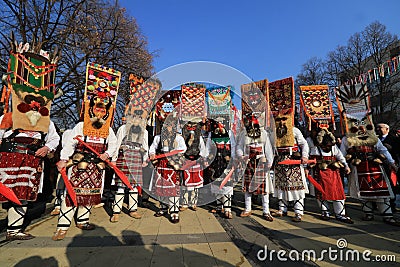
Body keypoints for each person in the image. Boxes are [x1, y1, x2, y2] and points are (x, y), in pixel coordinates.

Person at [0, 38, 61, 241]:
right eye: (30, 98)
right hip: (10, 158)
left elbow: (54, 138)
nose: (35, 103)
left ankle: (14, 229)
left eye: (38, 100)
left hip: (32, 159)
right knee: (8, 193)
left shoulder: (46, 121)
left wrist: (47, 148)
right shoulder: (9, 117)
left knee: (23, 194)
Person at [52, 63, 120, 240]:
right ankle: (63, 225)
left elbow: (113, 144)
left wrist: (107, 154)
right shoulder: (81, 126)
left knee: (90, 196)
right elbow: (70, 145)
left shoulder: (109, 129)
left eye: (102, 109)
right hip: (78, 165)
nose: (99, 111)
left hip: (96, 167)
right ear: (91, 109)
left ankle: (83, 221)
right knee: (71, 193)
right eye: (97, 108)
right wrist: (63, 159)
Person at [308, 128, 353, 223]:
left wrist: (346, 166)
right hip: (320, 174)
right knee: (321, 192)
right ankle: (325, 211)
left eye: (329, 145)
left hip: (334, 173)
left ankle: (340, 213)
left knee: (338, 193)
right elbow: (310, 160)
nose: (327, 147)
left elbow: (340, 157)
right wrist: (308, 167)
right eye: (325, 146)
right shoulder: (316, 149)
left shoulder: (334, 148)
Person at [110, 113, 148, 222]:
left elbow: (145, 146)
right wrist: (114, 159)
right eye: (135, 117)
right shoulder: (123, 128)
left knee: (134, 186)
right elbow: (117, 144)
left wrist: (145, 159)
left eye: (139, 117)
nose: (137, 119)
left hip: (136, 158)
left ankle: (133, 210)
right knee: (121, 186)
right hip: (124, 158)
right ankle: (116, 211)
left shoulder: (144, 131)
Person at [149, 114, 187, 223]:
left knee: (173, 189)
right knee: (161, 188)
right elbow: (152, 148)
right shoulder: (158, 137)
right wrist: (152, 154)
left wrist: (172, 154)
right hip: (161, 165)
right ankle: (163, 208)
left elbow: (183, 148)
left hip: (172, 165)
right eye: (166, 125)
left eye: (170, 125)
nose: (168, 127)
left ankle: (174, 211)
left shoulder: (178, 138)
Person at [236, 114, 275, 221]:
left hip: (261, 161)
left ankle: (266, 211)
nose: (252, 126)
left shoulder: (263, 133)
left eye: (254, 124)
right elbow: (239, 147)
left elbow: (268, 148)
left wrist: (269, 162)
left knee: (264, 188)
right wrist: (241, 156)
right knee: (248, 187)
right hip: (248, 162)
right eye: (250, 124)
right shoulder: (244, 134)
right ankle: (248, 208)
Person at [272, 123, 309, 222]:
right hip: (279, 161)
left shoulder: (295, 130)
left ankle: (298, 212)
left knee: (297, 186)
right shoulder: (274, 131)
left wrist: (304, 156)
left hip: (293, 160)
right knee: (281, 186)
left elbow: (304, 143)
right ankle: (282, 209)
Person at [205, 118, 236, 219]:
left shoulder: (230, 133)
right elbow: (208, 147)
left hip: (226, 162)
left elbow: (234, 147)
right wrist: (207, 158)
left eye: (222, 123)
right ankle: (219, 206)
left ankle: (227, 208)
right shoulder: (211, 134)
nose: (220, 125)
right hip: (215, 162)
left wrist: (233, 159)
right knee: (216, 183)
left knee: (227, 184)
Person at [179, 119, 209, 211]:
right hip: (186, 160)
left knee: (196, 183)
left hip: (196, 161)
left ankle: (193, 203)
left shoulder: (199, 137)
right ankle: (184, 203)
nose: (191, 128)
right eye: (189, 125)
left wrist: (203, 158)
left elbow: (202, 148)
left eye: (193, 126)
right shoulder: (182, 137)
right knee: (185, 182)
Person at [376, 123, 400, 212]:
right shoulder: (375, 139)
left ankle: (391, 205)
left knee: (391, 184)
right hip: (378, 165)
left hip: (390, 165)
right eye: (377, 128)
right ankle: (378, 204)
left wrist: (391, 149)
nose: (378, 129)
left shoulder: (394, 139)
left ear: (387, 129)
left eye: (380, 127)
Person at [50, 129, 72, 216]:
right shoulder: (68, 132)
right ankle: (58, 204)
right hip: (67, 159)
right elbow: (65, 146)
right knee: (61, 182)